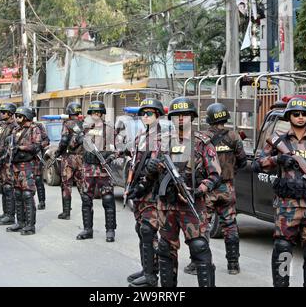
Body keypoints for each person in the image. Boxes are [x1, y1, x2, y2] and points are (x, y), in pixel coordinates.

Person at [253, 97, 306, 287]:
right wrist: (278, 160)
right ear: (289, 116)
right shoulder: (279, 140)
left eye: (304, 114)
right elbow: (257, 164)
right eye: (296, 114)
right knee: (283, 249)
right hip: (287, 206)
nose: (300, 117)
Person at [144, 97, 222, 287]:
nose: (180, 119)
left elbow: (215, 174)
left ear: (192, 117)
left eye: (185, 115)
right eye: (177, 115)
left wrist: (199, 190)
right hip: (167, 205)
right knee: (165, 249)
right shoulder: (162, 143)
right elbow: (149, 176)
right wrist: (150, 167)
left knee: (199, 247)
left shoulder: (202, 143)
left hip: (191, 204)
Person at [184, 103, 247, 275]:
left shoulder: (202, 138)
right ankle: (233, 265)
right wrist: (230, 171)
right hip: (227, 187)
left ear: (209, 119)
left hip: (208, 188)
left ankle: (199, 264)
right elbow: (243, 161)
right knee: (230, 225)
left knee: (202, 226)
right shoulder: (234, 137)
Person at [126, 98, 168, 287]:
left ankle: (152, 276)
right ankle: (146, 268)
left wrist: (142, 186)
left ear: (158, 115)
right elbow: (135, 164)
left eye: (149, 113)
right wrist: (131, 187)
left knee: (148, 231)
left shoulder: (162, 138)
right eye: (143, 113)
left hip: (152, 192)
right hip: (139, 191)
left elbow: (156, 168)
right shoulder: (141, 137)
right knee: (140, 230)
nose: (145, 116)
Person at [74, 100, 117, 242]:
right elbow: (73, 144)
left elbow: (118, 147)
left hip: (102, 168)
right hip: (88, 167)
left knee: (108, 199)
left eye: (98, 113)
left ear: (102, 114)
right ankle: (88, 229)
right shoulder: (84, 128)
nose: (95, 115)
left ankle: (110, 231)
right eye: (93, 113)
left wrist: (109, 155)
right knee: (86, 199)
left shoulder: (109, 128)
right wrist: (78, 138)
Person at [6, 106, 42, 235]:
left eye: (19, 116)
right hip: (15, 165)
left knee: (27, 194)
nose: (17, 118)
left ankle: (30, 225)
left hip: (27, 165)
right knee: (17, 194)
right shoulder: (16, 129)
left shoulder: (34, 129)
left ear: (26, 116)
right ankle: (20, 222)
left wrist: (20, 147)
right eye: (16, 116)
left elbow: (36, 146)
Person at [55, 102, 84, 220]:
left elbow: (64, 141)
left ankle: (66, 212)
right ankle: (87, 207)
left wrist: (58, 152)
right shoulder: (84, 124)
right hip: (82, 158)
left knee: (66, 184)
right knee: (82, 184)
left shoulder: (67, 124)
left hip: (69, 158)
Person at [0, 103, 18, 225]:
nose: (1, 114)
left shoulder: (15, 127)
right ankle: (5, 212)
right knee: (3, 188)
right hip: (0, 161)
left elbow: (12, 146)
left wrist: (4, 157)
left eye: (3, 112)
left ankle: (10, 215)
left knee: (9, 188)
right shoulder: (1, 126)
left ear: (10, 114)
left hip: (8, 162)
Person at [32, 108, 50, 210]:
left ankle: (42, 201)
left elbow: (47, 140)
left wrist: (38, 146)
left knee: (38, 180)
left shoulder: (39, 126)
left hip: (37, 158)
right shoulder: (18, 128)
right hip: (24, 159)